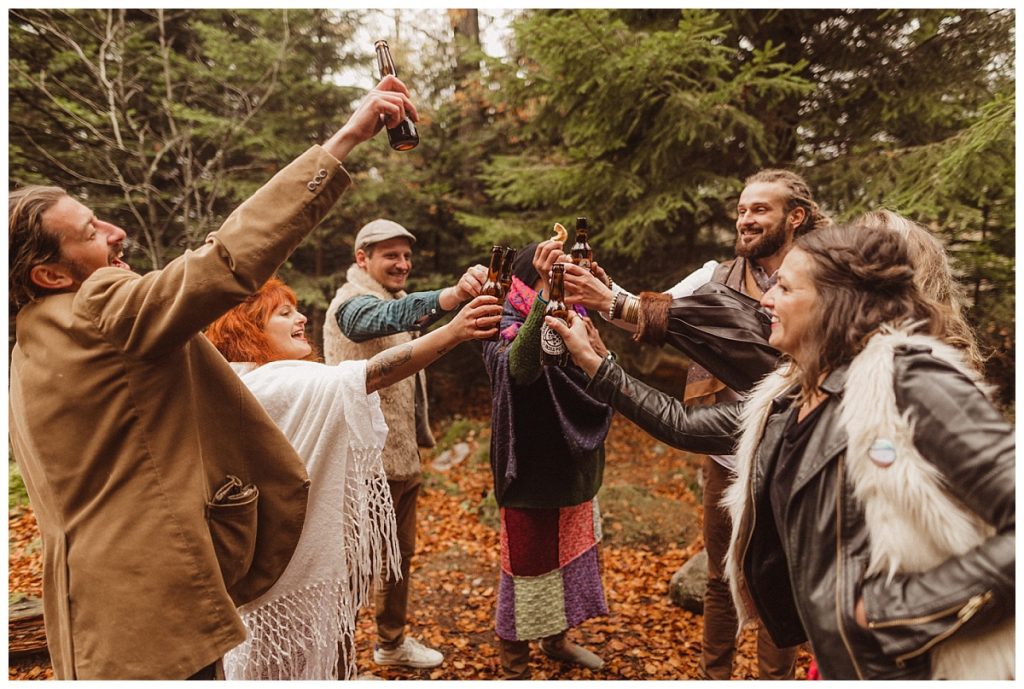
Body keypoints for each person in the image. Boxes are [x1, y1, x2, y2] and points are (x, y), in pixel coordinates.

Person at [8, 75, 418, 680]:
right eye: (91, 231)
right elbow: (225, 262)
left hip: (91, 615)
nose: (115, 233)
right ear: (48, 275)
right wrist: (347, 138)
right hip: (159, 607)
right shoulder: (98, 306)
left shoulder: (28, 346)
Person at [548, 223, 1014, 679]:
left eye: (786, 289)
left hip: (923, 667)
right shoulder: (787, 396)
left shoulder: (909, 381)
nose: (766, 299)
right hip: (842, 663)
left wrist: (886, 613)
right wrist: (596, 363)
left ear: (836, 303)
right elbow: (682, 424)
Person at [562, 169, 830, 679]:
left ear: (795, 217)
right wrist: (600, 288)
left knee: (780, 574)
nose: (745, 220)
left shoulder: (818, 279)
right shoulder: (712, 277)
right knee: (719, 574)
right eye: (741, 210)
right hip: (724, 453)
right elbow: (648, 313)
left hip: (786, 456)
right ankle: (715, 676)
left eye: (760, 210)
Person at [204, 278, 502, 679]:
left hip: (271, 561)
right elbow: (371, 375)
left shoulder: (239, 378)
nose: (301, 317)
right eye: (285, 312)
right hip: (285, 568)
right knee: (285, 660)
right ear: (250, 327)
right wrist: (454, 331)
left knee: (310, 651)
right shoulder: (268, 382)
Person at [322, 219, 487, 670]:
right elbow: (376, 322)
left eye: (406, 256)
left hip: (400, 459)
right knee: (353, 568)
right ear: (363, 259)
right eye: (390, 255)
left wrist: (419, 440)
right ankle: (337, 664)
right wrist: (450, 298)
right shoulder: (350, 304)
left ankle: (391, 644)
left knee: (398, 560)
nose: (402, 264)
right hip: (360, 464)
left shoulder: (398, 301)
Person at [481, 241, 612, 679]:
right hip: (529, 472)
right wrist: (544, 302)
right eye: (550, 279)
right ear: (528, 283)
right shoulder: (502, 318)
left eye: (564, 280)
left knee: (570, 562)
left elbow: (602, 379)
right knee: (526, 570)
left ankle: (557, 641)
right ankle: (515, 661)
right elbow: (520, 367)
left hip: (575, 464)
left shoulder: (581, 320)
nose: (562, 289)